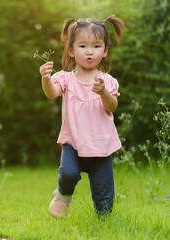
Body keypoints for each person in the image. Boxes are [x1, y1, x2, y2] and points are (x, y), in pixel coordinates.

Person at [39, 15, 125, 218]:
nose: (89, 51)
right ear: (71, 50)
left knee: (104, 198)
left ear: (105, 51)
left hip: (101, 147)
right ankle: (63, 196)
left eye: (96, 46)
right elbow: (51, 93)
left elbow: (112, 107)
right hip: (73, 144)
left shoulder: (107, 81)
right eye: (83, 46)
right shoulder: (66, 79)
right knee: (68, 173)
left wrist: (103, 92)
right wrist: (45, 79)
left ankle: (103, 224)